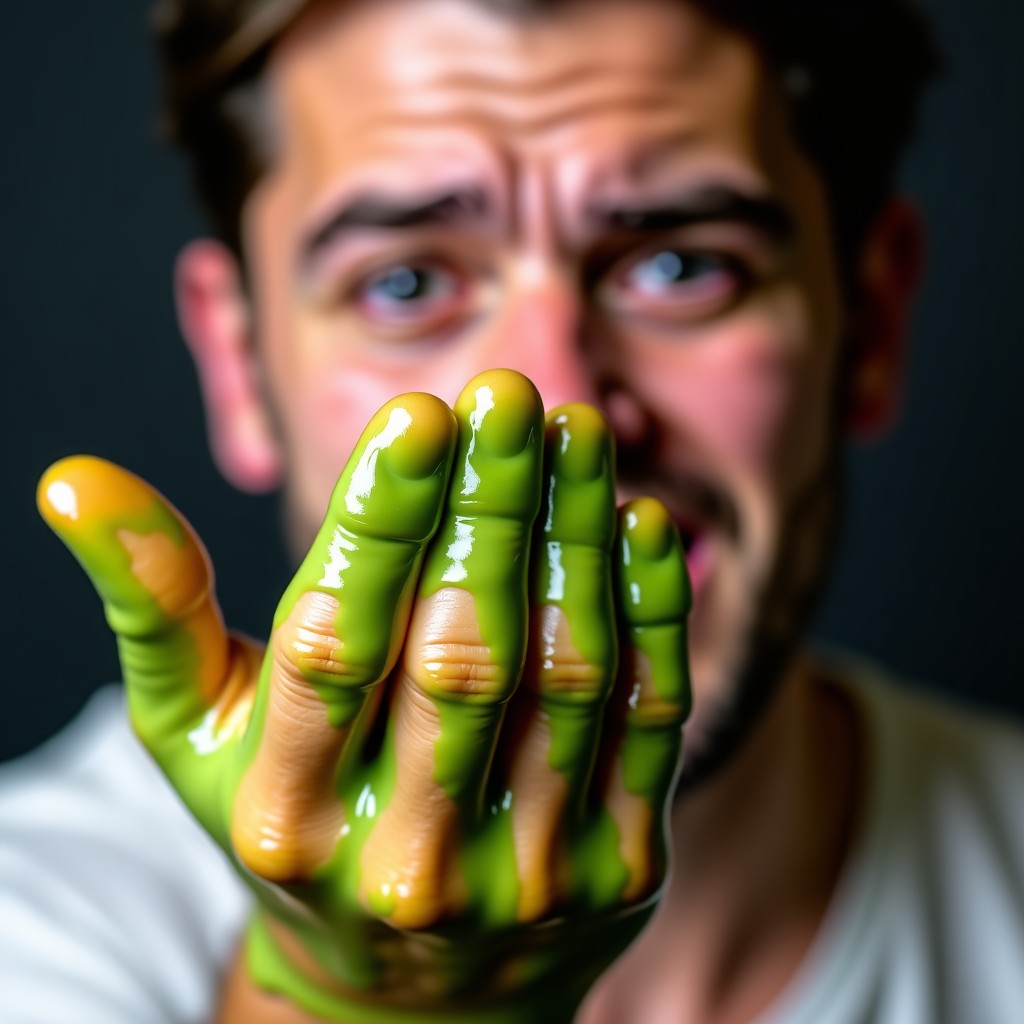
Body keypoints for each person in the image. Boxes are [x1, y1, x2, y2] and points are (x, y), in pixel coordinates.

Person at [3, 0, 1023, 1021]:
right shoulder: (34, 925)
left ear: (872, 321)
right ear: (238, 364)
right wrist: (356, 1000)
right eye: (404, 283)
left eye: (681, 267)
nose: (559, 403)